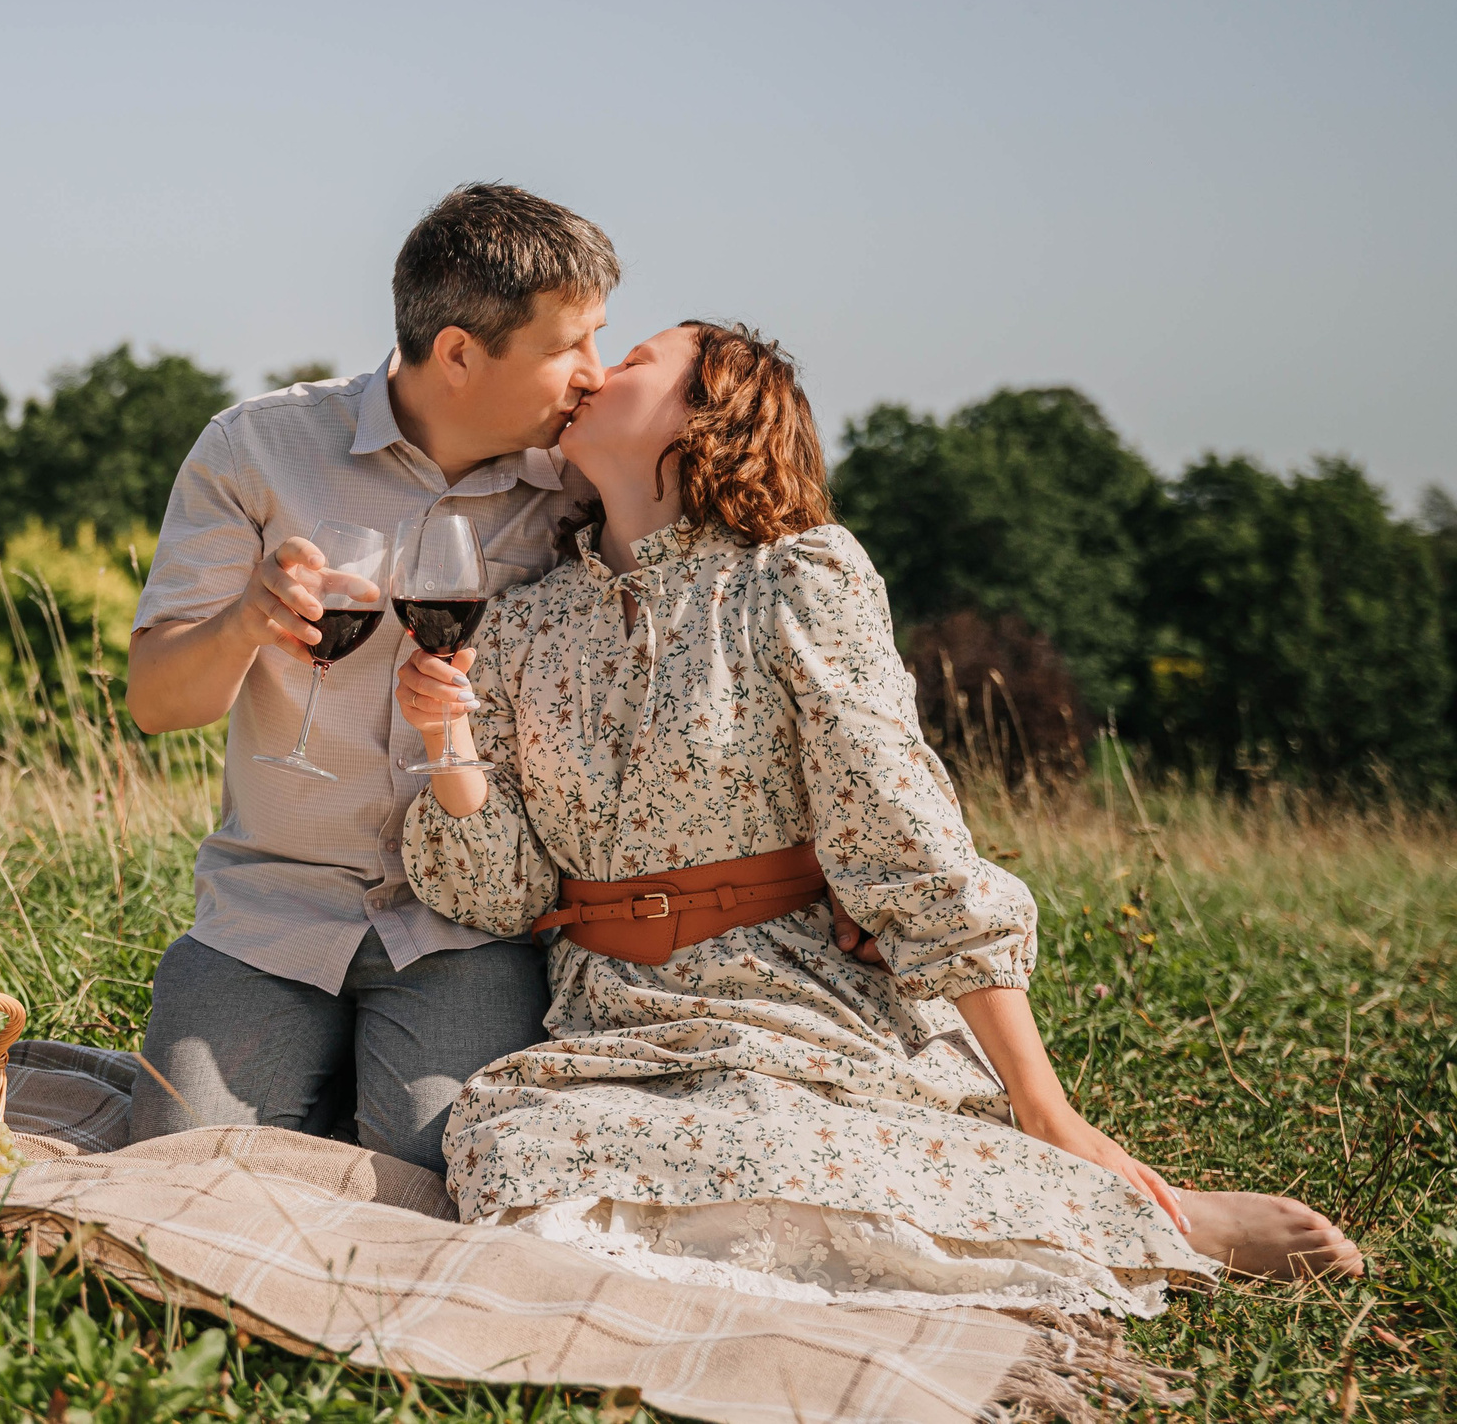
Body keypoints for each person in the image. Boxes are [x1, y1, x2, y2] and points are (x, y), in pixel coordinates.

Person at [392, 320, 1363, 1311]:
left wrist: (1047, 1106)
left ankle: (1140, 1217)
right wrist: (448, 745)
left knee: (762, 1136)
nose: (595, 372)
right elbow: (499, 894)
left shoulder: (796, 577)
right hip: (609, 1017)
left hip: (793, 995)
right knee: (519, 1150)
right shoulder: (519, 624)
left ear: (707, 413)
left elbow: (901, 832)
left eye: (634, 360)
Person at [120, 183, 620, 1172]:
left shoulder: (581, 489)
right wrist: (245, 619)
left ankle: (344, 1091)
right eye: (569, 347)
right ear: (461, 353)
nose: (594, 376)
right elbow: (156, 702)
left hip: (466, 933)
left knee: (449, 1176)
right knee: (178, 1176)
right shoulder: (254, 449)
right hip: (268, 917)